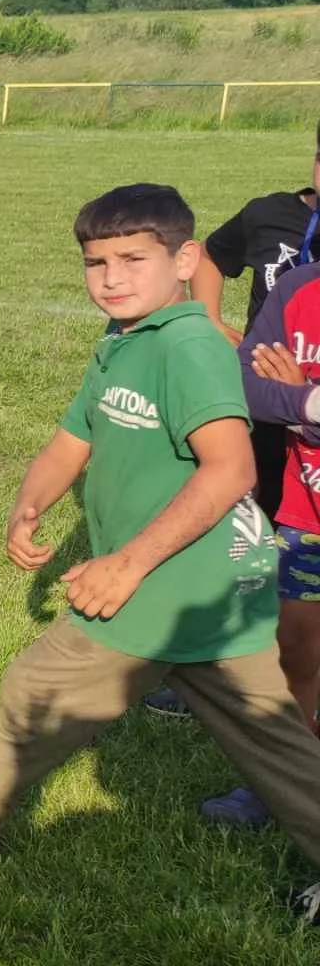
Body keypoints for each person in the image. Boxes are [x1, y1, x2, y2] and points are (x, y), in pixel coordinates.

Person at [0, 184, 320, 926]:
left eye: (133, 259)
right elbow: (76, 435)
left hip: (167, 588)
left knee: (35, 688)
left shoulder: (188, 346)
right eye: (95, 262)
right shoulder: (124, 339)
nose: (110, 277)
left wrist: (127, 562)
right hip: (216, 591)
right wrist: (30, 500)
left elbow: (231, 470)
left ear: (186, 260)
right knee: (277, 745)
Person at [147, 126, 320, 719]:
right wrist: (215, 320)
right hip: (278, 434)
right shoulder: (283, 246)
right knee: (247, 538)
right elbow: (217, 263)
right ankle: (219, 666)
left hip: (300, 429)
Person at [190, 253, 320, 826]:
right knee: (294, 652)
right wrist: (309, 404)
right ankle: (287, 782)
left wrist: (297, 400)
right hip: (305, 514)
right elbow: (243, 386)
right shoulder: (298, 288)